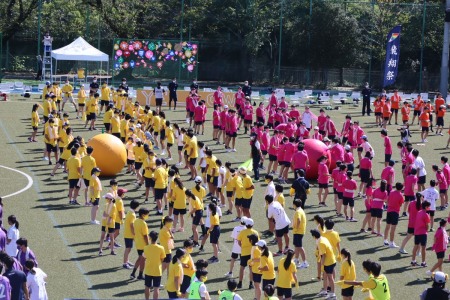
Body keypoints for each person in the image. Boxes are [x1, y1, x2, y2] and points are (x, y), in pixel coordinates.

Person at [311, 229, 337, 299]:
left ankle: (333, 294)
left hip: (328, 262)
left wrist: (322, 265)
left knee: (330, 278)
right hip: (331, 260)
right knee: (324, 276)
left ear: (314, 236)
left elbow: (324, 255)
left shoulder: (321, 243)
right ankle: (325, 291)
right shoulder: (323, 238)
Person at [143, 231, 166, 300]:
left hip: (148, 270)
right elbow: (162, 259)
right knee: (156, 287)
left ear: (150, 238)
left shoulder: (146, 247)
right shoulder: (161, 248)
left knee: (147, 286)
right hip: (157, 270)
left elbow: (145, 257)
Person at [130, 208, 150, 280]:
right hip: (143, 244)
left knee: (139, 258)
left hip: (138, 243)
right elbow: (145, 236)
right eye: (147, 214)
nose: (148, 216)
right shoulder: (143, 223)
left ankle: (133, 273)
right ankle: (140, 275)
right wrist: (148, 245)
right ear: (143, 215)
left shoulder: (136, 221)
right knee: (143, 260)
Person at [383, 182, 404, 248]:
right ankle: (391, 243)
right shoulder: (401, 195)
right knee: (393, 228)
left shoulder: (391, 192)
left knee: (387, 226)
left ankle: (385, 240)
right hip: (395, 212)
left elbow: (387, 201)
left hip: (389, 211)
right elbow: (400, 204)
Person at [411, 201, 432, 267]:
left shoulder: (419, 212)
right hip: (423, 233)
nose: (429, 208)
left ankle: (413, 261)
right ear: (426, 207)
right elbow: (427, 225)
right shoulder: (426, 215)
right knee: (423, 248)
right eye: (428, 206)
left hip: (417, 232)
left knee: (416, 246)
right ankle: (423, 262)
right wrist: (427, 230)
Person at [123, 200, 140, 269]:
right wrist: (134, 233)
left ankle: (127, 260)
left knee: (129, 248)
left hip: (127, 233)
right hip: (129, 234)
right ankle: (125, 263)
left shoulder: (130, 212)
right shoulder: (132, 214)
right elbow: (132, 225)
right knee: (128, 248)